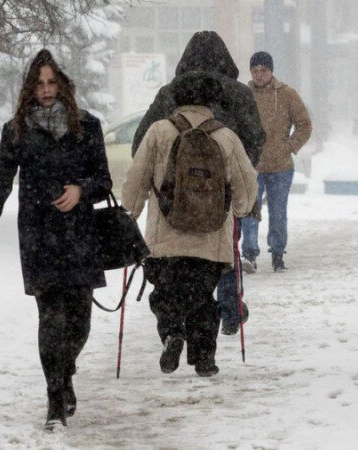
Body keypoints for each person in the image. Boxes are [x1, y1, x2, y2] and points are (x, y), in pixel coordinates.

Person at [0, 49, 112, 432]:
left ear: (62, 84)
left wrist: (81, 190)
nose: (46, 89)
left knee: (79, 324)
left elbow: (104, 181)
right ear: (30, 88)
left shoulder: (87, 126)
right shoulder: (17, 131)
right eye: (39, 84)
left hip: (80, 237)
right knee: (51, 320)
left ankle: (66, 370)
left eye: (51, 82)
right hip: (39, 238)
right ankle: (55, 402)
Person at [122, 70, 258, 377]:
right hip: (210, 241)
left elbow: (137, 179)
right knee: (202, 299)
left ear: (177, 99)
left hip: (166, 238)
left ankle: (172, 333)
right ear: (212, 101)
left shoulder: (159, 131)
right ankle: (204, 358)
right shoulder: (225, 136)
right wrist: (240, 209)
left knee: (165, 294)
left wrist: (131, 211)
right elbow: (247, 188)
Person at [131, 31, 266, 337]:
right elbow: (256, 139)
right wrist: (232, 175)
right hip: (220, 194)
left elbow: (141, 141)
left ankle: (177, 318)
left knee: (178, 256)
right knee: (225, 249)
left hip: (174, 196)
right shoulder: (239, 94)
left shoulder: (170, 93)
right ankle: (229, 309)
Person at [241, 51, 312, 273]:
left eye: (263, 70)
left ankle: (278, 254)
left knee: (278, 213)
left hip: (281, 167)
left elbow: (304, 125)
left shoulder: (287, 94)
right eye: (255, 70)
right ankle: (249, 255)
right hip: (252, 167)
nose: (259, 74)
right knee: (249, 212)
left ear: (271, 71)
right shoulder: (243, 95)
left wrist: (288, 147)